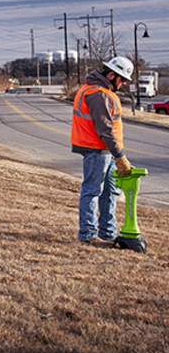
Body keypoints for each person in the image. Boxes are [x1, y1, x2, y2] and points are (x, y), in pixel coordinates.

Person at [71, 56, 134, 246]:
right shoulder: (98, 94)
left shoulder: (99, 91)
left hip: (105, 151)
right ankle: (88, 235)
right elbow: (105, 129)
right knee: (93, 190)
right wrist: (120, 156)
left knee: (109, 192)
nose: (122, 84)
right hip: (96, 150)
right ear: (112, 74)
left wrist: (116, 153)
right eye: (122, 79)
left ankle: (108, 233)